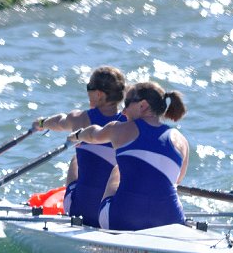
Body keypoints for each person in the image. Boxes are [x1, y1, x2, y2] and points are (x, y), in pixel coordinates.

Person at [69, 81, 189, 232]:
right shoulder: (181, 140)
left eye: (127, 104)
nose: (124, 111)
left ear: (142, 105)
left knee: (117, 169)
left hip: (123, 220)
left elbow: (93, 134)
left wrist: (77, 135)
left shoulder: (117, 129)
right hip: (170, 222)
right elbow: (177, 180)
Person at [33, 66, 126, 227]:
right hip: (114, 214)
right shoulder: (130, 125)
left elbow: (59, 121)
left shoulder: (79, 119)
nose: (87, 93)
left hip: (81, 210)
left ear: (99, 94)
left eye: (89, 88)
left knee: (76, 159)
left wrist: (41, 123)